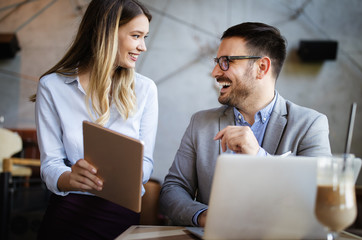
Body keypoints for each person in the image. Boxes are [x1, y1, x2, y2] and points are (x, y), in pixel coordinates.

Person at [159, 22, 331, 227]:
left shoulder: (310, 125)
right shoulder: (200, 123)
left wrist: (258, 156)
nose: (215, 72)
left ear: (261, 67)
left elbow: (321, 200)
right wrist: (206, 217)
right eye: (217, 61)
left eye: (226, 62)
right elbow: (172, 189)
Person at [33, 0, 158, 239]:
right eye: (135, 35)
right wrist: (70, 178)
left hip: (121, 215)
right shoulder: (52, 86)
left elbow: (147, 162)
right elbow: (50, 164)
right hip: (69, 214)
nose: (142, 47)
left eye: (145, 37)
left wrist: (126, 175)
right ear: (106, 33)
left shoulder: (145, 89)